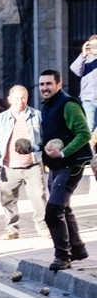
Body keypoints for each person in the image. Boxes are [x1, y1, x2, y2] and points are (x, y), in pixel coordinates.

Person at [37, 69, 93, 271]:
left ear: (58, 85)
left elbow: (84, 133)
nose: (44, 88)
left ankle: (62, 256)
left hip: (71, 164)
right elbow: (51, 135)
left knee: (53, 210)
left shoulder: (68, 104)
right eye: (42, 84)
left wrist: (63, 153)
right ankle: (77, 249)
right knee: (63, 207)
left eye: (48, 84)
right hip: (56, 166)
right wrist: (37, 147)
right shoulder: (47, 106)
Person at [0, 85, 48, 240]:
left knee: (39, 197)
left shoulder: (37, 116)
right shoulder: (0, 119)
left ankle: (42, 226)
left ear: (28, 98)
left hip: (32, 165)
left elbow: (46, 138)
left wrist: (48, 158)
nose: (21, 101)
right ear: (10, 100)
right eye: (17, 98)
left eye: (23, 97)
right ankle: (12, 229)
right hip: (9, 166)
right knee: (8, 199)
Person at [68, 34, 97, 129]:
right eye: (92, 45)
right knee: (90, 127)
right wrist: (83, 54)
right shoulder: (85, 59)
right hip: (89, 99)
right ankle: (90, 144)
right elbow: (75, 70)